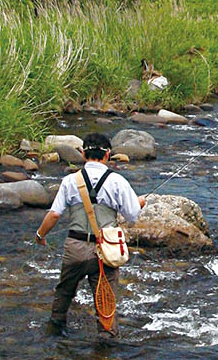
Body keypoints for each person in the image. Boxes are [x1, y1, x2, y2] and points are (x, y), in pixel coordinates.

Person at [34, 132, 145, 338]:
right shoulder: (117, 181)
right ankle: (106, 345)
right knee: (105, 298)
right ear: (108, 155)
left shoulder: (69, 180)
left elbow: (54, 214)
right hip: (105, 250)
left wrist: (40, 235)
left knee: (64, 291)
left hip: (74, 247)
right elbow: (132, 215)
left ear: (84, 154)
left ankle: (55, 332)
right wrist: (138, 203)